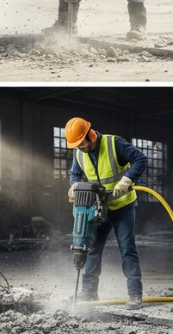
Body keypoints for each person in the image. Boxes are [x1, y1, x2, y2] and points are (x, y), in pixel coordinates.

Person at [65, 117, 148, 309]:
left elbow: (140, 159)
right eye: (76, 146)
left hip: (122, 207)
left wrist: (127, 180)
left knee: (127, 249)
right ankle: (89, 292)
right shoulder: (79, 154)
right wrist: (74, 186)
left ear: (90, 134)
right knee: (92, 249)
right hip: (97, 208)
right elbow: (75, 174)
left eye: (81, 144)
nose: (80, 148)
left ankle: (135, 294)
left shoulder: (114, 144)